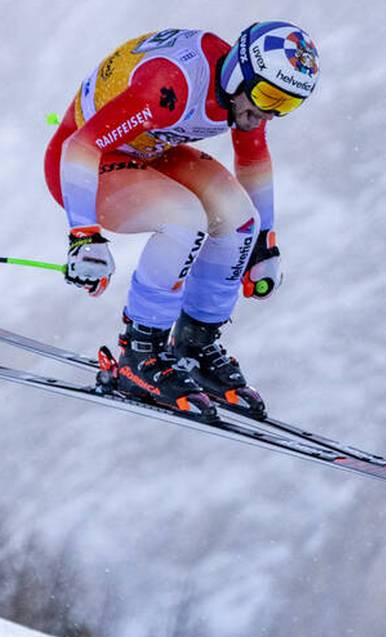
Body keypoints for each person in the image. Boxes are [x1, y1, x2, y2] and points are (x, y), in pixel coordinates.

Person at [43, 22, 319, 420]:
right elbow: (80, 145)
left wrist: (264, 243)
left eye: (287, 104)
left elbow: (254, 161)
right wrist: (84, 235)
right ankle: (139, 354)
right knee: (184, 219)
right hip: (85, 166)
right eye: (268, 96)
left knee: (240, 219)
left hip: (149, 151)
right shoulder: (171, 84)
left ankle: (194, 346)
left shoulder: (242, 95)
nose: (268, 112)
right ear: (242, 71)